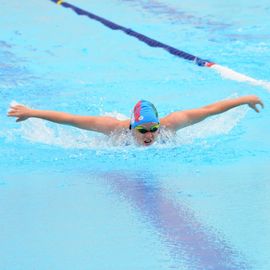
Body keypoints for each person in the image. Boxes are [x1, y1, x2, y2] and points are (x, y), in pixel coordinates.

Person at [8, 95, 264, 146]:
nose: (150, 135)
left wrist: (245, 99)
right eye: (143, 130)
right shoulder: (114, 128)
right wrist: (32, 112)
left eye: (153, 129)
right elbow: (72, 119)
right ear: (132, 127)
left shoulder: (171, 123)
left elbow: (211, 109)